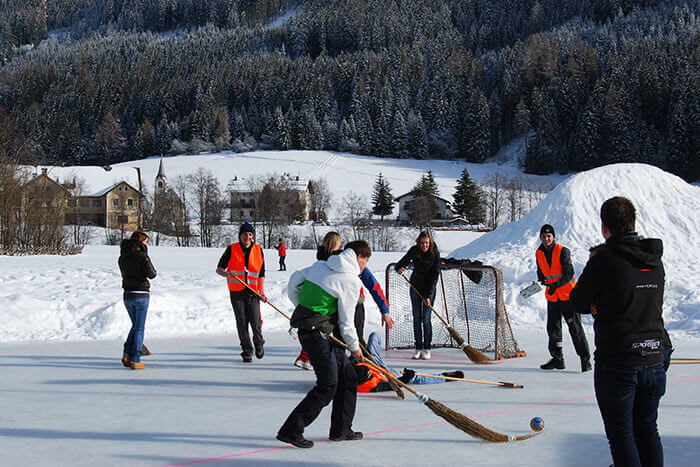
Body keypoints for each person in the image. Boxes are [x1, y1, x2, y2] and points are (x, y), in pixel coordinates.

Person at [569, 196, 670, 466]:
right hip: (655, 358)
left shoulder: (605, 260)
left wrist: (596, 300)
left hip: (620, 362)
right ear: (633, 222)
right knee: (647, 429)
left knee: (622, 435)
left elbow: (577, 301)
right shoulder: (654, 259)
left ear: (605, 228)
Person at [277, 241, 371, 448]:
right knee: (328, 385)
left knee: (349, 376)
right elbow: (347, 323)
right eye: (365, 262)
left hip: (318, 332)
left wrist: (303, 307)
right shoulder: (350, 281)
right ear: (358, 257)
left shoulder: (322, 265)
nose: (364, 267)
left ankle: (341, 429)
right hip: (316, 336)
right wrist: (356, 349)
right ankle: (291, 429)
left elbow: (294, 281)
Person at [294, 233, 394, 370]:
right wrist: (385, 310)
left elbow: (372, 285)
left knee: (335, 336)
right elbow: (373, 285)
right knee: (347, 339)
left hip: (341, 307)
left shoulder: (333, 262)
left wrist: (385, 310)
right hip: (344, 306)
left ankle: (350, 369)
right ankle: (358, 370)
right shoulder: (342, 263)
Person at [536, 224, 591, 371]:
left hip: (568, 296)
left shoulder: (562, 251)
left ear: (553, 237)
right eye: (543, 236)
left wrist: (556, 285)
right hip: (553, 297)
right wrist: (540, 282)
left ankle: (585, 359)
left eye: (548, 236)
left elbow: (569, 273)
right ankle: (557, 359)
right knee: (553, 329)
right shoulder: (539, 253)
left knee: (575, 328)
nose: (546, 239)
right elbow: (541, 273)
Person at [215, 221, 267, 362]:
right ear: (240, 236)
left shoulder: (258, 250)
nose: (247, 237)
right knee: (242, 323)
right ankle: (247, 350)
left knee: (256, 322)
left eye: (250, 234)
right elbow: (219, 269)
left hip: (253, 292)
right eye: (245, 234)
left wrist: (261, 292)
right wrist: (227, 274)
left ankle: (259, 344)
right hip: (237, 293)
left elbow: (261, 273)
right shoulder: (232, 249)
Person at [355, 332, 463, 392]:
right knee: (418, 378)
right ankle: (444, 377)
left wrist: (360, 352)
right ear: (366, 379)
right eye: (369, 374)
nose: (370, 373)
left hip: (374, 363)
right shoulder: (373, 386)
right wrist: (407, 378)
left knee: (375, 336)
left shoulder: (352, 371)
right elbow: (393, 386)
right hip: (392, 376)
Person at [394, 231, 440, 360]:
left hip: (429, 290)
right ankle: (418, 347)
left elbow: (435, 275)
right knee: (416, 318)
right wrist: (400, 267)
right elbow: (401, 262)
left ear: (429, 242)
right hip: (415, 287)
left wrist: (428, 295)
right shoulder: (414, 250)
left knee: (426, 319)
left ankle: (427, 348)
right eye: (421, 243)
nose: (424, 245)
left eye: (426, 243)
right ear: (418, 243)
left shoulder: (434, 253)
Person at [118, 231, 157, 370]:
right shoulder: (142, 256)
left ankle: (127, 354)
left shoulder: (122, 257)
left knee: (135, 326)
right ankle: (135, 359)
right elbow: (152, 274)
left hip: (128, 294)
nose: (147, 244)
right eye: (146, 241)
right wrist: (145, 257)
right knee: (139, 328)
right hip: (141, 293)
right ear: (141, 242)